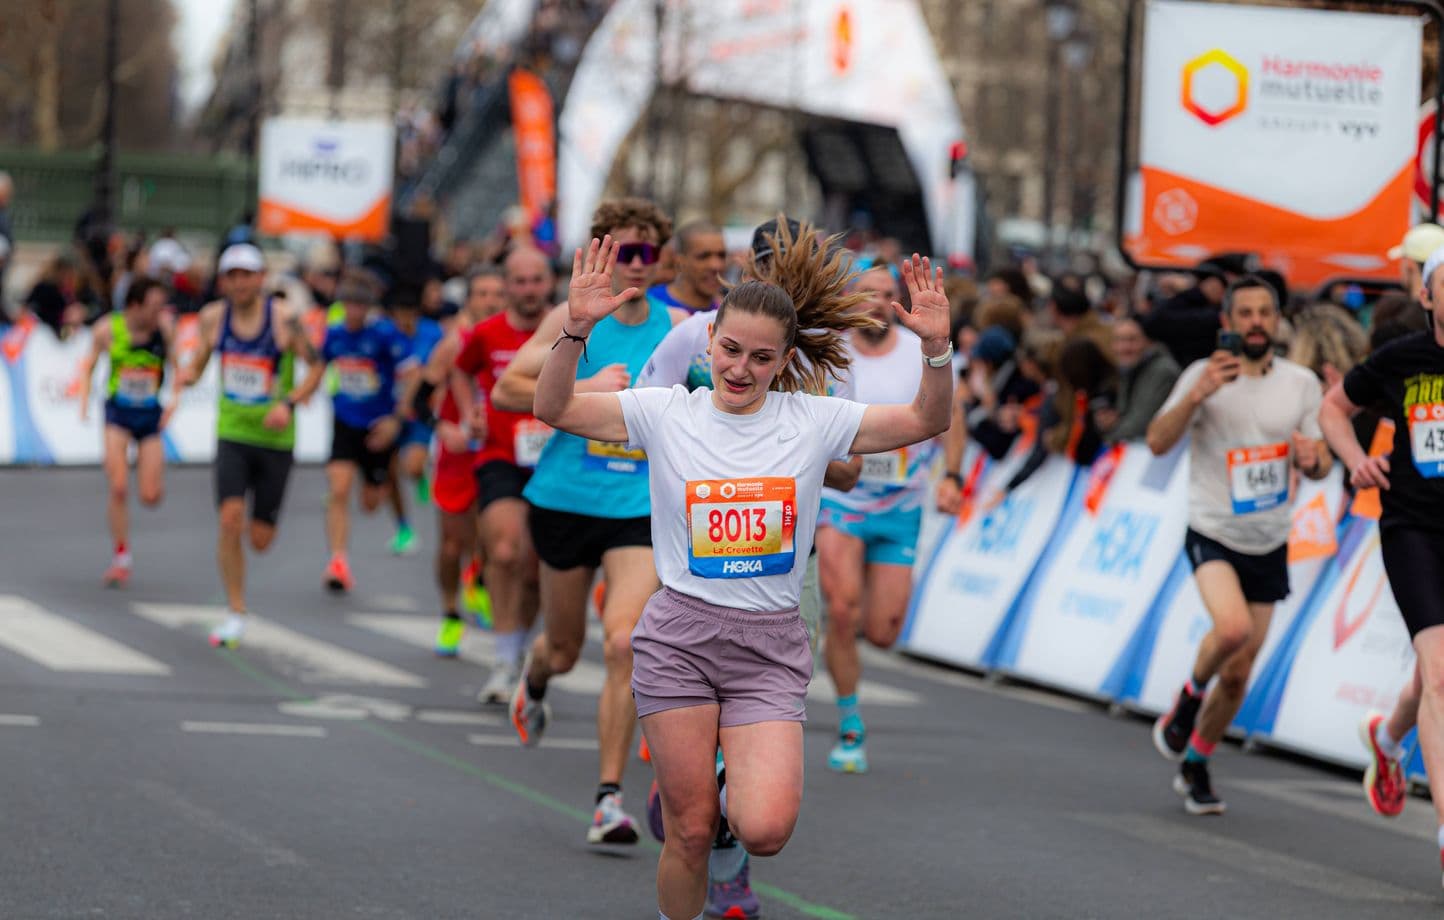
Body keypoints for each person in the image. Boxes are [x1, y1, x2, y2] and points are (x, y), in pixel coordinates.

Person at [533, 235, 952, 920]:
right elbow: (553, 409)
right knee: (692, 832)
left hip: (768, 646)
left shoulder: (813, 420)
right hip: (681, 638)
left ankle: (707, 787)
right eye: (730, 351)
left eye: (761, 358)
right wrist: (576, 329)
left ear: (785, 361)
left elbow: (925, 419)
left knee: (766, 830)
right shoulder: (667, 412)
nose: (741, 369)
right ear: (708, 345)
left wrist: (936, 351)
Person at [634, 217, 864, 919]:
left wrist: (793, 431)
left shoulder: (822, 361)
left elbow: (851, 472)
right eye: (756, 266)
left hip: (783, 570)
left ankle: (721, 794)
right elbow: (645, 416)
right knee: (693, 815)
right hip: (695, 568)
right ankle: (702, 814)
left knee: (762, 733)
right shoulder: (695, 336)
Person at [492, 198, 685, 846]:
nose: (634, 264)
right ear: (602, 253)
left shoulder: (680, 327)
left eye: (644, 253)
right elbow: (508, 390)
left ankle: (608, 799)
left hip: (639, 508)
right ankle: (536, 676)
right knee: (566, 649)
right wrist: (589, 386)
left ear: (660, 261)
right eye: (621, 252)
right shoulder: (574, 317)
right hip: (566, 500)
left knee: (625, 642)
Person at [1146, 274, 1333, 814]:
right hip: (1213, 530)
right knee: (1231, 629)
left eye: (1264, 313)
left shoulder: (1301, 383)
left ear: (1277, 322)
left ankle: (1197, 760)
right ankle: (1187, 698)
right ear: (1227, 323)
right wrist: (1200, 393)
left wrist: (1311, 460)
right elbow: (1158, 441)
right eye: (1245, 313)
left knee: (1240, 671)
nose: (1255, 322)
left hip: (1270, 537)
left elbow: (1319, 463)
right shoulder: (1201, 375)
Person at [1319, 247, 1444, 885]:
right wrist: (1354, 459)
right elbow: (1333, 409)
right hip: (1414, 529)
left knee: (1432, 676)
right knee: (1442, 674)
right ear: (1427, 297)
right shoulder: (1402, 361)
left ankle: (1390, 741)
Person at [818, 265, 940, 774]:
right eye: (868, 295)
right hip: (842, 502)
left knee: (884, 631)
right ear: (851, 299)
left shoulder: (920, 352)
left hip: (901, 503)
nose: (878, 304)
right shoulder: (833, 353)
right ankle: (850, 722)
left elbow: (946, 414)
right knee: (842, 611)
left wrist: (952, 472)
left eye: (888, 295)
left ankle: (848, 645)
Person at [184, 243, 325, 647]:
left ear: (261, 278)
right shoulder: (213, 318)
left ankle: (243, 579)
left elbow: (316, 366)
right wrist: (187, 377)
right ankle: (236, 610)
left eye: (247, 274)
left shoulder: (283, 321)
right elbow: (199, 363)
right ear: (224, 281)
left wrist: (289, 403)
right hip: (233, 433)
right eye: (233, 275)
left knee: (260, 540)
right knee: (230, 519)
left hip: (275, 438)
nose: (240, 282)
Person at [450, 248, 556, 703]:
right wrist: (470, 411)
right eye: (521, 281)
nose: (529, 290)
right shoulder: (486, 333)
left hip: (554, 460)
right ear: (507, 286)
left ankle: (518, 648)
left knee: (535, 570)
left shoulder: (566, 329)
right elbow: (460, 370)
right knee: (505, 549)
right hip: (500, 456)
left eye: (537, 280)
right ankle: (502, 659)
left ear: (548, 283)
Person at [407, 266, 506, 656]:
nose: (490, 301)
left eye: (497, 294)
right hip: (456, 456)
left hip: (498, 450)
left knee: (494, 538)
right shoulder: (453, 345)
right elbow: (419, 401)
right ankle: (450, 613)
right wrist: (443, 428)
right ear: (469, 300)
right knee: (452, 545)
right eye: (482, 293)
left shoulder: (515, 341)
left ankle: (478, 580)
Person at [76, 278, 178, 586]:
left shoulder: (164, 330)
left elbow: (178, 368)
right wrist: (83, 401)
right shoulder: (108, 329)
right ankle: (121, 557)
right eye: (154, 306)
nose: (160, 312)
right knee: (118, 487)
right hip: (118, 414)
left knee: (149, 495)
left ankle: (150, 479)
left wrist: (175, 402)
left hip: (149, 416)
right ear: (135, 305)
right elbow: (88, 366)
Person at [318, 270, 411, 593]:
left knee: (371, 503)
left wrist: (396, 419)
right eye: (349, 305)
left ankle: (377, 482)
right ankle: (338, 561)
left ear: (368, 307)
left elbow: (412, 373)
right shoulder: (334, 335)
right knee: (338, 490)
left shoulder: (384, 334)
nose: (354, 311)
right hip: (344, 421)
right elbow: (319, 365)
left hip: (378, 427)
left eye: (361, 306)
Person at [387, 285, 445, 555]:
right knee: (389, 473)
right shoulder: (385, 334)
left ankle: (420, 474)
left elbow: (434, 371)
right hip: (389, 412)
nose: (404, 320)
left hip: (418, 412)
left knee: (411, 467)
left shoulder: (432, 333)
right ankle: (403, 527)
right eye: (399, 314)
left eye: (408, 314)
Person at [1098, 312, 1179, 444]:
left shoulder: (1162, 371)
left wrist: (1110, 436)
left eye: (1132, 339)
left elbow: (1140, 424)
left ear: (1148, 341)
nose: (1124, 347)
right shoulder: (1129, 369)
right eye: (1118, 340)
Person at [647, 220, 726, 314]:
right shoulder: (649, 305)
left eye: (721, 255)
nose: (716, 265)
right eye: (703, 256)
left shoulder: (728, 310)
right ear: (679, 261)